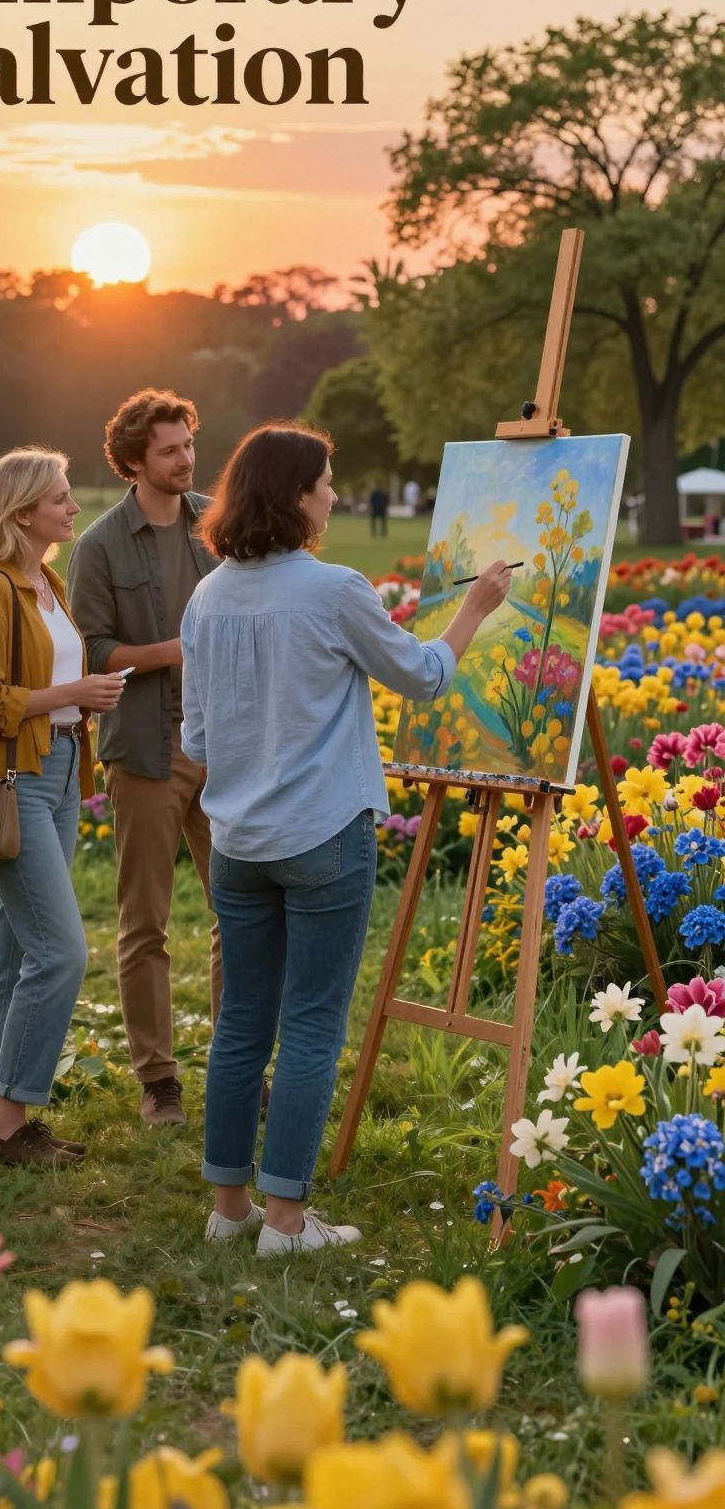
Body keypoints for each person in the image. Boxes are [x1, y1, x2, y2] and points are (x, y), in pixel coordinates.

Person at [181, 423, 512, 1257]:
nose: (334, 494)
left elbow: (195, 741)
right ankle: (286, 1223)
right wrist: (474, 608)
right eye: (325, 481)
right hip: (324, 833)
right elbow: (427, 678)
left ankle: (228, 1210)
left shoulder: (208, 595)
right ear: (295, 495)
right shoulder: (332, 589)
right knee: (314, 1024)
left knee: (243, 1024)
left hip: (237, 842)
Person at [0, 448, 126, 1167]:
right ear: (23, 511)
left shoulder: (47, 582)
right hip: (16, 773)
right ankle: (12, 1124)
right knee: (62, 953)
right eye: (59, 498)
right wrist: (72, 696)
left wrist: (81, 702)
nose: (73, 507)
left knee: (16, 950)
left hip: (57, 770)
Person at [67, 391, 221, 1126]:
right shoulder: (98, 545)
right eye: (169, 449)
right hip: (145, 750)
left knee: (243, 913)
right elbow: (92, 651)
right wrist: (179, 651)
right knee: (145, 924)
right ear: (134, 462)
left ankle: (235, 1063)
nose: (185, 459)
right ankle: (158, 1079)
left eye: (188, 443)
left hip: (225, 746)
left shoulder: (219, 523)